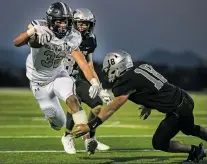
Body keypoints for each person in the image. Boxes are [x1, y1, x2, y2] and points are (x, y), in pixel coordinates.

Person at [72, 50, 207, 163]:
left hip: (177, 110)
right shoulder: (140, 65)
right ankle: (197, 151)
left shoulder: (125, 81)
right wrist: (148, 105)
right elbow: (153, 86)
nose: (108, 73)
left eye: (109, 69)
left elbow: (111, 108)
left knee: (159, 142)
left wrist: (90, 126)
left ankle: (195, 151)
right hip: (184, 98)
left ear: (117, 67)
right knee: (190, 129)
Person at [13, 2, 101, 155]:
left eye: (66, 21)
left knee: (73, 100)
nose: (63, 25)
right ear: (50, 21)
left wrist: (94, 82)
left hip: (58, 75)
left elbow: (82, 62)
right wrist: (32, 33)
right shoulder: (40, 28)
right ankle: (56, 122)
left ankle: (86, 138)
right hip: (38, 81)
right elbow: (17, 42)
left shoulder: (73, 36)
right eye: (59, 21)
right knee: (58, 122)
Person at [63, 8, 111, 152]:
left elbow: (89, 64)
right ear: (73, 23)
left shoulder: (91, 39)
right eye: (79, 23)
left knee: (97, 106)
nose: (83, 26)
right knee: (75, 105)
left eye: (86, 24)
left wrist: (98, 86)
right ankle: (70, 136)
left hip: (77, 77)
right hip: (63, 77)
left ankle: (91, 138)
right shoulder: (66, 37)